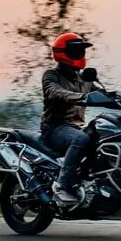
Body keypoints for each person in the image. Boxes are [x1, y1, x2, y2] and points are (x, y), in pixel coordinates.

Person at [40, 32, 98, 204]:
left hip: (75, 127)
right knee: (81, 139)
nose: (81, 54)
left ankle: (88, 181)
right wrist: (79, 96)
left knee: (101, 136)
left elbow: (101, 93)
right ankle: (63, 186)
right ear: (64, 52)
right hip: (54, 128)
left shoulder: (84, 79)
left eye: (82, 50)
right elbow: (53, 91)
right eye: (77, 50)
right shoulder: (51, 75)